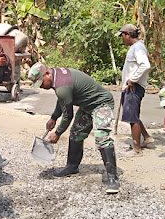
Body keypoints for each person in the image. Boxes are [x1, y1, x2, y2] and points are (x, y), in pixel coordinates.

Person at [28, 63, 120, 194]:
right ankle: (72, 167)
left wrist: (58, 133)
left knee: (101, 137)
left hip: (101, 104)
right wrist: (54, 117)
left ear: (47, 74)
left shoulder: (62, 85)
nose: (41, 86)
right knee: (76, 133)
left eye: (41, 82)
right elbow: (63, 100)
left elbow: (68, 115)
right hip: (87, 106)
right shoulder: (57, 76)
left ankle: (113, 178)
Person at [116, 23, 153, 155]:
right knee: (133, 115)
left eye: (123, 36)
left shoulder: (138, 48)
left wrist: (132, 79)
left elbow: (145, 65)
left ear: (128, 35)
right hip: (131, 86)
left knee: (133, 118)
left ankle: (137, 149)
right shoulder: (136, 47)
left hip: (134, 87)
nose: (122, 39)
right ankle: (147, 137)